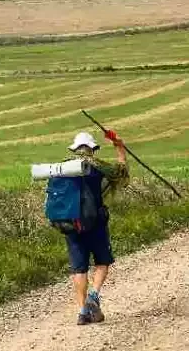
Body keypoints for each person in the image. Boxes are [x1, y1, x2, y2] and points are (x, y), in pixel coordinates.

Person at [62, 130, 128, 325]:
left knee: (79, 268)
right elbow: (121, 171)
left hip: (71, 224)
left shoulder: (63, 168)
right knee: (102, 261)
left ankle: (82, 312)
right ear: (92, 149)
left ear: (75, 149)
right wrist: (120, 148)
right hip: (96, 223)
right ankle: (94, 296)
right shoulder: (98, 167)